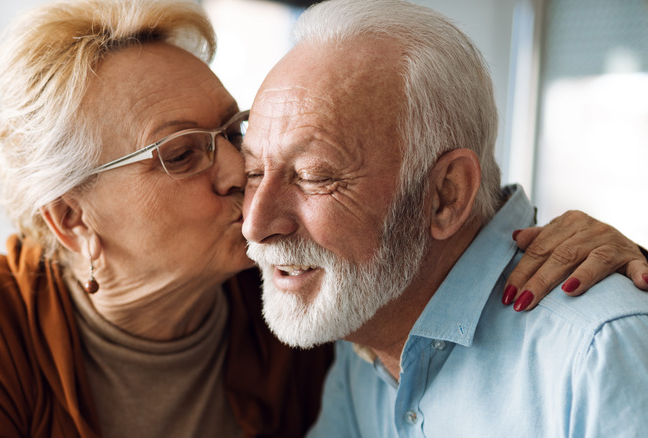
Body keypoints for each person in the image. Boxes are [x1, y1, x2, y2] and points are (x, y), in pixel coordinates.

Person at [0, 0, 647, 437]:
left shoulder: (303, 306)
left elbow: (428, 260)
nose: (243, 190)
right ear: (71, 220)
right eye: (182, 154)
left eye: (233, 135)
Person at [240, 0, 648, 436]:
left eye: (314, 176)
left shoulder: (600, 351)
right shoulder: (358, 321)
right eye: (253, 172)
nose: (255, 224)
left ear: (445, 196)